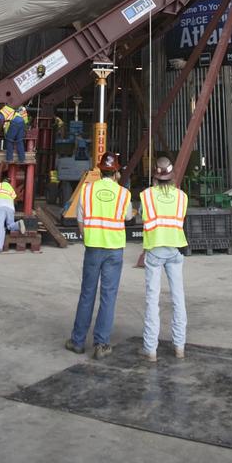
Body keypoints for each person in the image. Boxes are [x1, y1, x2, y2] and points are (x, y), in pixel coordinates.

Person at [65, 151, 133, 359]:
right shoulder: (124, 194)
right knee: (108, 296)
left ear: (100, 170)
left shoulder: (87, 190)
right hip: (114, 249)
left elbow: (80, 220)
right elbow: (128, 217)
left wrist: (88, 236)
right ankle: (101, 344)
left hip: (93, 248)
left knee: (87, 293)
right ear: (116, 172)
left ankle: (77, 341)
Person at [139, 157, 188, 362]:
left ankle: (151, 349)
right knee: (178, 298)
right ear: (172, 176)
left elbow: (143, 216)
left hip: (155, 250)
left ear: (155, 177)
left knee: (152, 299)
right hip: (175, 250)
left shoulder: (146, 195)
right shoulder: (182, 197)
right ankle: (179, 346)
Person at [0, 168, 26, 251]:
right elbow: (15, 198)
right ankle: (18, 224)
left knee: (0, 226)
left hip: (0, 206)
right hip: (10, 207)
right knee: (10, 225)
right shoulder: (11, 188)